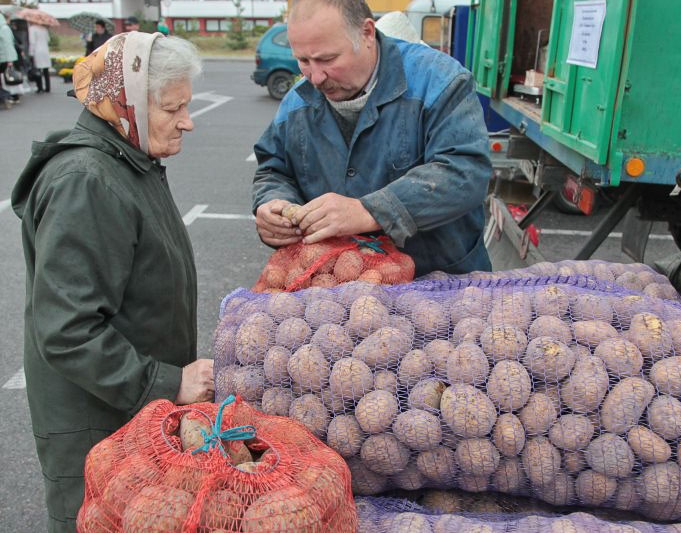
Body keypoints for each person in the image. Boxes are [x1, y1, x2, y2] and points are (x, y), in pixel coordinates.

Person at [11, 32, 210, 533]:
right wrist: (169, 382)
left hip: (129, 412)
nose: (187, 121)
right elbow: (68, 329)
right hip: (98, 424)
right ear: (126, 105)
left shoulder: (128, 160)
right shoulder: (87, 180)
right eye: (173, 108)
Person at [252, 0, 492, 276]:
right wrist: (273, 202)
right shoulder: (297, 103)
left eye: (327, 59)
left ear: (367, 33)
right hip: (340, 290)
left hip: (440, 282)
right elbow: (273, 170)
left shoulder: (440, 80)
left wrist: (370, 211)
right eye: (303, 61)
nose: (315, 77)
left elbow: (466, 171)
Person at [0, 12, 18, 109]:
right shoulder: (4, 28)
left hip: (4, 58)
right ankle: (6, 97)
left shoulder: (4, 29)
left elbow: (8, 45)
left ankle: (6, 96)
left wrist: (10, 60)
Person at [28, 22, 50, 93]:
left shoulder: (32, 29)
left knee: (37, 70)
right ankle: (47, 87)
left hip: (37, 51)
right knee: (46, 70)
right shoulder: (44, 29)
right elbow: (48, 39)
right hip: (45, 50)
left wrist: (31, 53)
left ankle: (40, 87)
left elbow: (32, 42)